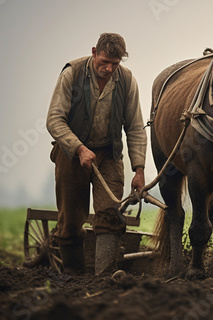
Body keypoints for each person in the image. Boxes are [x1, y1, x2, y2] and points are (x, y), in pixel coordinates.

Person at [46, 33, 147, 276]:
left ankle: (104, 277)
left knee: (111, 214)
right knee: (70, 220)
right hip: (71, 155)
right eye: (104, 61)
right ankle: (72, 277)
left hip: (109, 155)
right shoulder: (72, 73)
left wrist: (139, 169)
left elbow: (135, 127)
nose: (109, 68)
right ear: (94, 52)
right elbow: (54, 119)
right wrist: (79, 148)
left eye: (115, 63)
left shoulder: (127, 80)